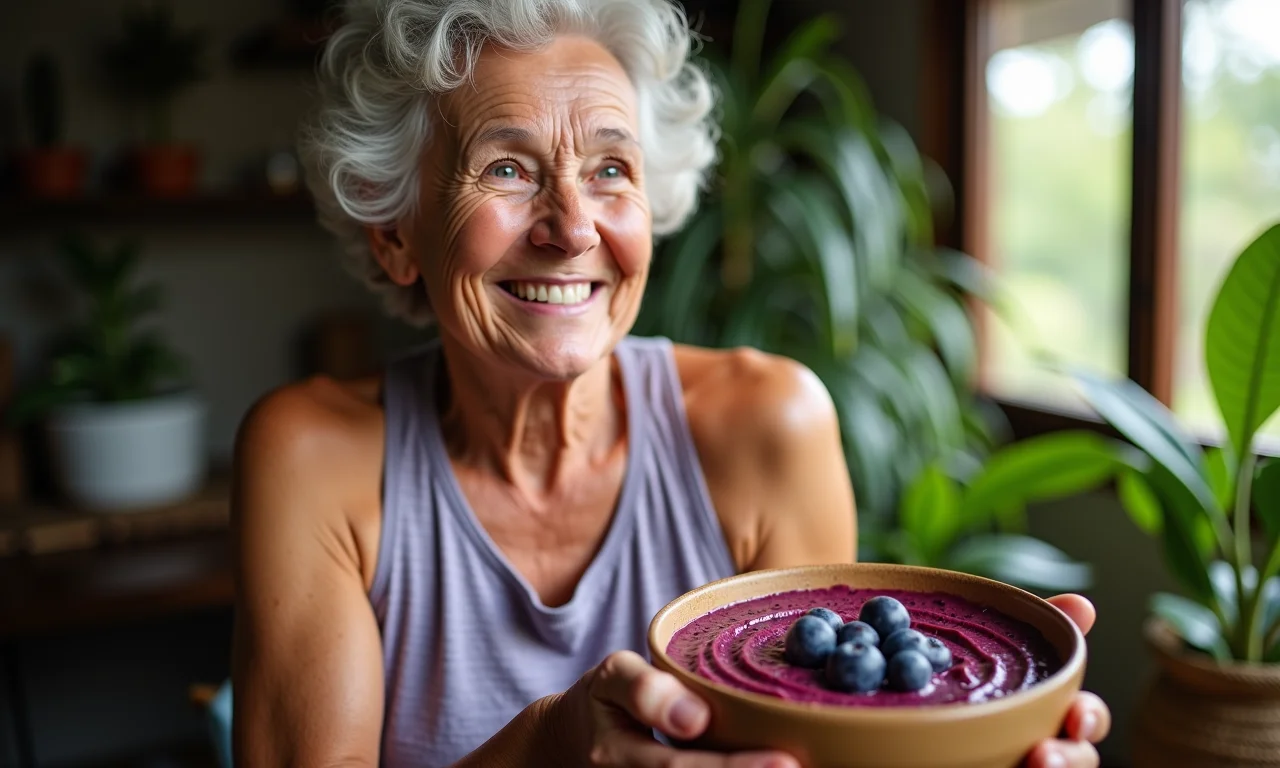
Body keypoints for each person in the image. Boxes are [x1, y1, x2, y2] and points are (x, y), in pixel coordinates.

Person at [230, 1, 1111, 766]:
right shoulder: (315, 457)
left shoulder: (769, 425)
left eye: (611, 170)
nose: (572, 227)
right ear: (394, 232)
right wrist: (543, 751)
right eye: (506, 167)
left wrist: (974, 750)